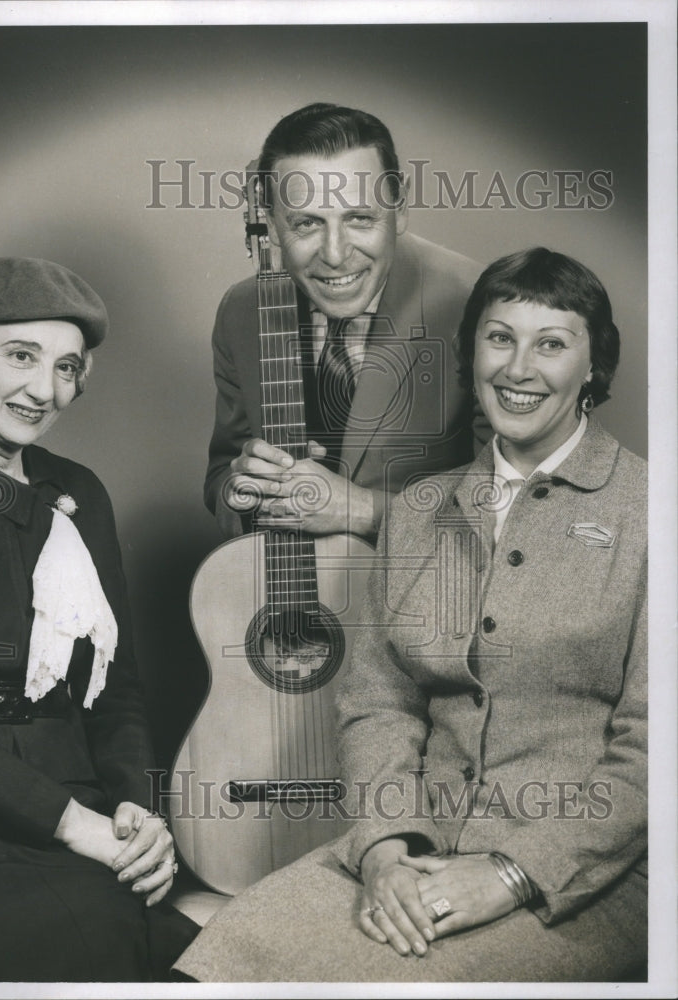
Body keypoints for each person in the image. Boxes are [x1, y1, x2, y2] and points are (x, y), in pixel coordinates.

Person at [173, 247, 647, 982]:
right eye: (498, 338)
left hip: (581, 880)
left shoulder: (653, 514)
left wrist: (512, 874)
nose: (518, 369)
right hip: (410, 854)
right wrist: (389, 849)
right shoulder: (419, 510)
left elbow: (655, 750)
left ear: (592, 367)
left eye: (550, 344)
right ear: (470, 353)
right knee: (216, 960)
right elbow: (377, 702)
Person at [0, 257, 199, 982]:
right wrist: (72, 826)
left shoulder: (79, 492)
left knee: (188, 956)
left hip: (82, 797)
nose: (43, 390)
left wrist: (133, 814)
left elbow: (115, 690)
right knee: (78, 939)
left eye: (66, 367)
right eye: (20, 356)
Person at [205, 102, 485, 542]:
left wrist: (363, 511)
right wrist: (242, 493)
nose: (335, 255)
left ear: (400, 207)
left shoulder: (480, 304)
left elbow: (520, 505)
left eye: (359, 218)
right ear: (274, 226)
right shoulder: (241, 311)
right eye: (306, 224)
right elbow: (223, 474)